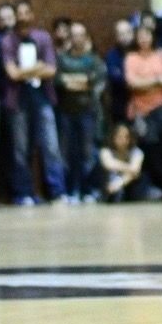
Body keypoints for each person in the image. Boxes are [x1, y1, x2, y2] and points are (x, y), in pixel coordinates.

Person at [0, 0, 65, 205]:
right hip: (18, 101)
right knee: (20, 149)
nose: (23, 17)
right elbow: (13, 74)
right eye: (19, 13)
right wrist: (36, 68)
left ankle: (57, 191)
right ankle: (23, 192)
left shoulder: (43, 38)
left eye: (26, 12)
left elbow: (51, 69)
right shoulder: (8, 41)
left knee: (51, 146)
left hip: (42, 98)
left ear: (32, 15)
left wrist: (26, 71)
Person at [125, 22, 162, 200]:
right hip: (142, 113)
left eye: (147, 35)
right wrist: (157, 80)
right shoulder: (132, 58)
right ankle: (161, 187)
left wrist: (147, 83)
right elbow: (132, 83)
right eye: (140, 35)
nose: (143, 39)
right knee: (151, 151)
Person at [56, 21, 107, 202]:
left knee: (87, 152)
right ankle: (71, 190)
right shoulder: (61, 58)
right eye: (74, 34)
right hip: (66, 112)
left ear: (85, 38)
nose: (77, 38)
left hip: (87, 111)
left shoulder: (93, 60)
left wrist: (74, 81)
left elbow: (92, 82)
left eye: (80, 34)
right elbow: (59, 81)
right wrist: (79, 81)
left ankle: (88, 190)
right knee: (68, 152)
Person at [98, 122, 145, 202]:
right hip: (105, 184)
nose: (123, 139)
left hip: (125, 185)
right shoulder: (105, 150)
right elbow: (108, 164)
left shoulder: (137, 152)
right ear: (113, 137)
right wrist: (130, 167)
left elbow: (135, 171)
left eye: (126, 137)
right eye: (119, 136)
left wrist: (118, 183)